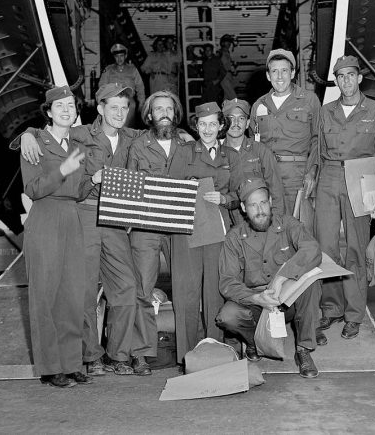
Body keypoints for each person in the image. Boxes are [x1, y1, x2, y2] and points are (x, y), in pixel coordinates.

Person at [17, 84, 147, 377]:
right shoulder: (61, 137)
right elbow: (35, 178)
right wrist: (27, 133)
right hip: (64, 216)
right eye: (112, 106)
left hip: (94, 217)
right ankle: (70, 362)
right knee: (63, 293)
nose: (118, 112)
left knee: (94, 291)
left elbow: (162, 133)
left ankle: (98, 359)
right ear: (99, 109)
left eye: (70, 106)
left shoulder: (114, 140)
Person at [315, 55, 375, 341]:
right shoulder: (325, 112)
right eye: (341, 76)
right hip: (328, 176)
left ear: (360, 78)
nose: (346, 80)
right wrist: (311, 184)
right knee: (325, 247)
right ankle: (331, 307)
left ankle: (354, 314)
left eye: (351, 75)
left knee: (355, 249)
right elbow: (317, 150)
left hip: (361, 177)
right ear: (336, 80)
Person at [20, 86, 92, 388]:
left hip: (72, 218)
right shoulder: (35, 141)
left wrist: (92, 181)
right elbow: (33, 189)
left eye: (70, 105)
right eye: (59, 105)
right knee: (45, 297)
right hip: (45, 218)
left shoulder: (77, 145)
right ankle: (50, 368)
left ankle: (72, 363)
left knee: (73, 295)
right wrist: (62, 169)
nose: (66, 109)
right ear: (48, 112)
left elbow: (77, 191)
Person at [216, 177, 322, 378]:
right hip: (255, 303)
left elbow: (312, 249)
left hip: (286, 300)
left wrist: (283, 276)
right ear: (243, 208)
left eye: (263, 202)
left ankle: (303, 350)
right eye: (253, 205)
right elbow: (227, 282)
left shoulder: (289, 224)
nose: (260, 210)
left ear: (271, 202)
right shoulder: (234, 237)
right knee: (227, 316)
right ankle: (253, 342)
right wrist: (256, 298)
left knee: (311, 284)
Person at [171, 102, 240, 364]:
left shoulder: (231, 156)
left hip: (217, 228)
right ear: (195, 126)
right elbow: (170, 186)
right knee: (186, 292)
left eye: (213, 123)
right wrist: (186, 188)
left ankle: (215, 353)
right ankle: (186, 356)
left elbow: (240, 192)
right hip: (187, 228)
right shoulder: (183, 151)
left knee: (214, 292)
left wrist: (224, 198)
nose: (208, 129)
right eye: (202, 124)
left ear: (221, 126)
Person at [127, 90, 191, 367]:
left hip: (178, 224)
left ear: (175, 114)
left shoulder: (188, 144)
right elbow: (130, 187)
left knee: (185, 285)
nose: (164, 113)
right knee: (142, 288)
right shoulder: (138, 146)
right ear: (149, 115)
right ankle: (140, 353)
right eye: (158, 109)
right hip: (146, 223)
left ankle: (187, 349)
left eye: (169, 109)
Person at [249, 49, 320, 215]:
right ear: (268, 75)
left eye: (284, 71)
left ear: (293, 73)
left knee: (298, 228)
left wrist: (312, 172)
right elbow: (253, 143)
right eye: (274, 71)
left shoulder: (309, 100)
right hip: (267, 174)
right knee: (271, 228)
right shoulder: (259, 105)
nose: (279, 77)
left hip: (297, 175)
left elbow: (318, 139)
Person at [221, 98, 285, 225]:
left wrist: (277, 224)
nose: (236, 123)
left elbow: (276, 191)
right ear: (223, 123)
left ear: (248, 123)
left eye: (241, 118)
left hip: (260, 220)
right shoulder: (216, 154)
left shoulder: (260, 150)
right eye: (231, 118)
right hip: (230, 224)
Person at [99, 43, 146, 127]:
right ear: (114, 57)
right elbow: (102, 86)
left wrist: (141, 103)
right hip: (112, 98)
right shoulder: (108, 70)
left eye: (121, 56)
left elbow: (140, 86)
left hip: (128, 98)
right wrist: (101, 102)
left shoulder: (132, 69)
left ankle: (127, 132)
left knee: (131, 108)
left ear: (126, 56)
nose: (119, 59)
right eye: (117, 56)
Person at [219, 35, 237, 100]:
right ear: (222, 43)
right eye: (227, 41)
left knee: (226, 99)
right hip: (224, 76)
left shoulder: (227, 52)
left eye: (229, 42)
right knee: (233, 98)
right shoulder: (220, 52)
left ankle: (224, 110)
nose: (229, 43)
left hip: (229, 75)